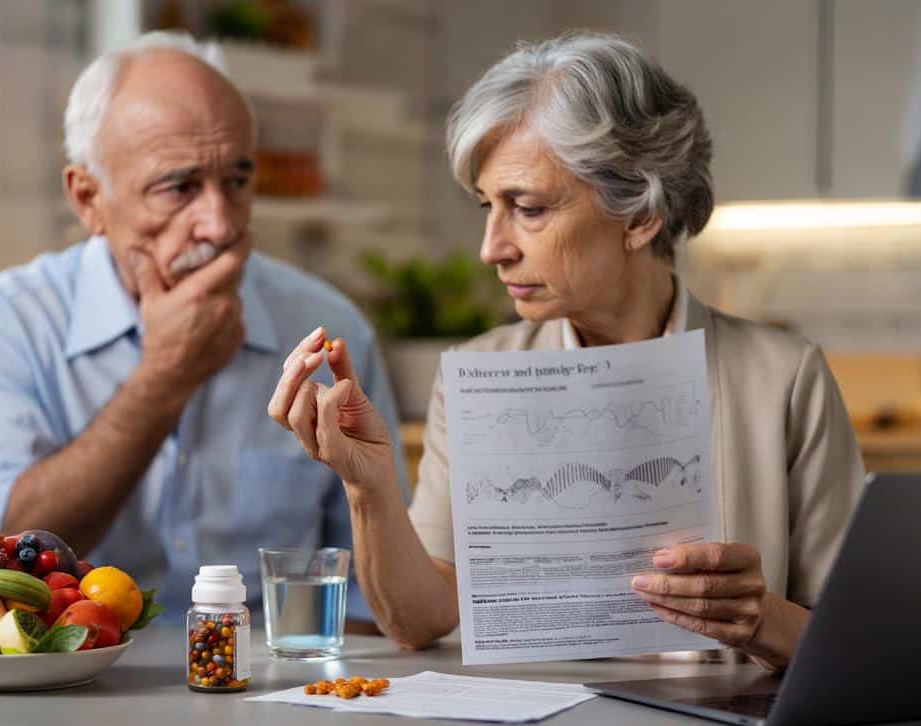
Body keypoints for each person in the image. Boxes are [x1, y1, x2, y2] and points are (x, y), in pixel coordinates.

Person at [268, 32, 864, 670]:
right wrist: (368, 485)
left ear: (639, 213)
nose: (492, 247)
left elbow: (864, 646)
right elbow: (420, 621)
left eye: (526, 208)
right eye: (487, 207)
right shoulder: (481, 374)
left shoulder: (783, 380)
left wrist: (759, 618)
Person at [0, 32, 404, 620]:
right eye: (178, 187)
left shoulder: (330, 331)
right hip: (77, 684)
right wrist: (165, 375)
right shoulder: (3, 326)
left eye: (236, 182)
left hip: (273, 684)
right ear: (88, 199)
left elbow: (375, 590)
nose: (217, 223)